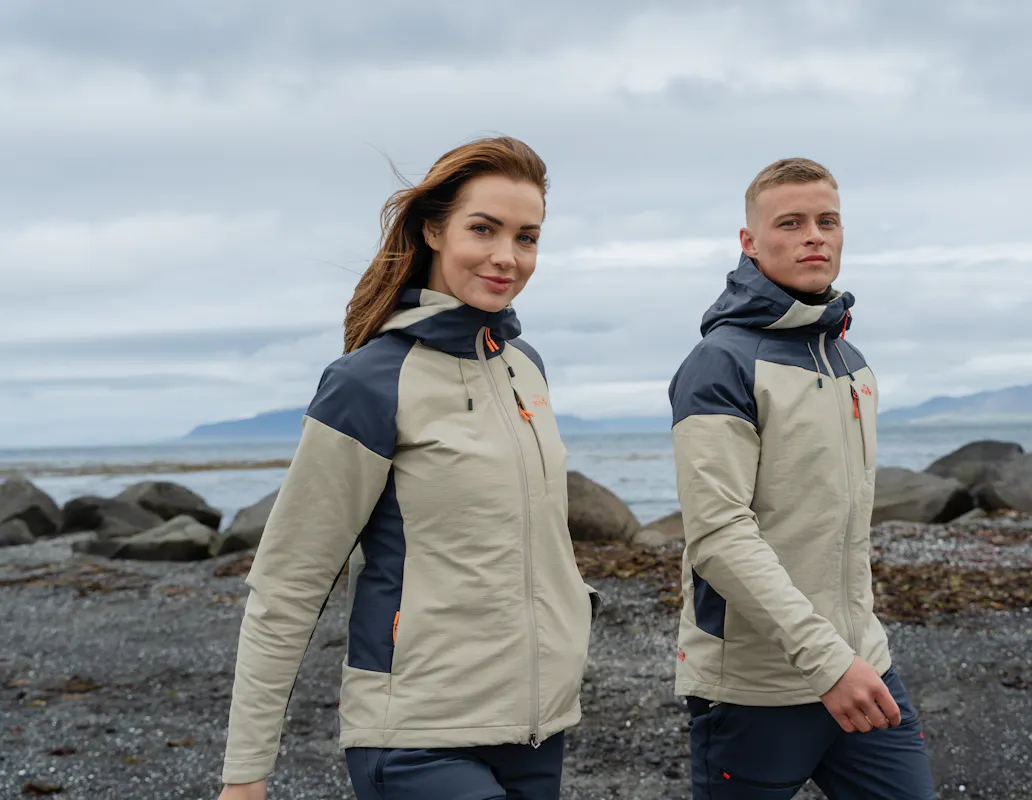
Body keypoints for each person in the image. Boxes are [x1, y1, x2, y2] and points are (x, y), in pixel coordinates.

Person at [217, 136, 599, 800]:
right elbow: (288, 586)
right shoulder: (368, 383)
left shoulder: (524, 368)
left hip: (537, 729)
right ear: (433, 230)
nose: (507, 257)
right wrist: (245, 775)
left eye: (527, 237)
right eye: (483, 229)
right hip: (415, 736)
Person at [669, 158, 936, 799]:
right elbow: (719, 537)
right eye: (790, 223)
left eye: (827, 221)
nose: (814, 236)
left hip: (863, 665)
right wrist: (827, 662)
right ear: (750, 241)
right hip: (755, 687)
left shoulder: (850, 360)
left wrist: (851, 656)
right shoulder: (719, 363)